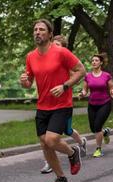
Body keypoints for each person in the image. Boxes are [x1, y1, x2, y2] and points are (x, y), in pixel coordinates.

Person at [19, 19, 86, 182]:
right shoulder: (30, 56)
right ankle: (61, 178)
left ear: (49, 34)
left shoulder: (61, 52)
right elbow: (29, 82)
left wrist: (65, 86)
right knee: (44, 144)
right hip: (43, 105)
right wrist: (24, 82)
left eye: (41, 30)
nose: (37, 32)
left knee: (51, 139)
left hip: (62, 104)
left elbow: (81, 70)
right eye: (35, 30)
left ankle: (72, 153)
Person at [40, 35, 87, 174]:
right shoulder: (46, 59)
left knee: (66, 131)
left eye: (58, 45)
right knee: (45, 138)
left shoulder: (67, 62)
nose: (54, 48)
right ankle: (49, 162)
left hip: (63, 103)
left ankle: (81, 143)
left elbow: (78, 76)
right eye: (53, 44)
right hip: (46, 105)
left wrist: (64, 85)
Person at [79, 53, 113, 158]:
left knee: (97, 126)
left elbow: (111, 87)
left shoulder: (106, 75)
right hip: (92, 104)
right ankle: (105, 132)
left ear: (101, 63)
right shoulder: (88, 76)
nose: (94, 62)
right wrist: (82, 94)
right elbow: (85, 90)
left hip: (104, 103)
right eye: (93, 61)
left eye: (96, 60)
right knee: (93, 128)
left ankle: (98, 149)